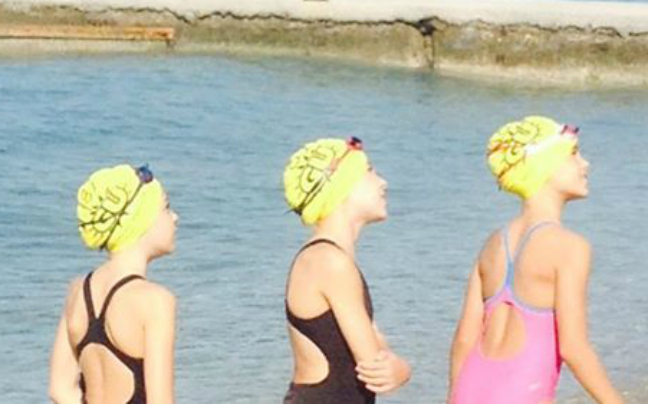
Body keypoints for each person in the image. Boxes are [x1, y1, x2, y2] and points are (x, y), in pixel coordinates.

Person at [448, 117, 624, 404]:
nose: (585, 164)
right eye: (573, 153)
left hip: (469, 392)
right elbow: (574, 348)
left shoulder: (491, 245)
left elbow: (464, 340)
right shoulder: (569, 247)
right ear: (545, 165)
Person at [282, 137, 411, 403]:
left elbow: (376, 342)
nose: (383, 182)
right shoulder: (330, 262)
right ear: (341, 187)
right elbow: (375, 368)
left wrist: (395, 366)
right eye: (370, 171)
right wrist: (401, 369)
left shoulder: (328, 258)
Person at [49, 164, 178, 404]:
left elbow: (60, 390)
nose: (174, 217)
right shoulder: (155, 301)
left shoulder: (78, 290)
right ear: (141, 221)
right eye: (166, 208)